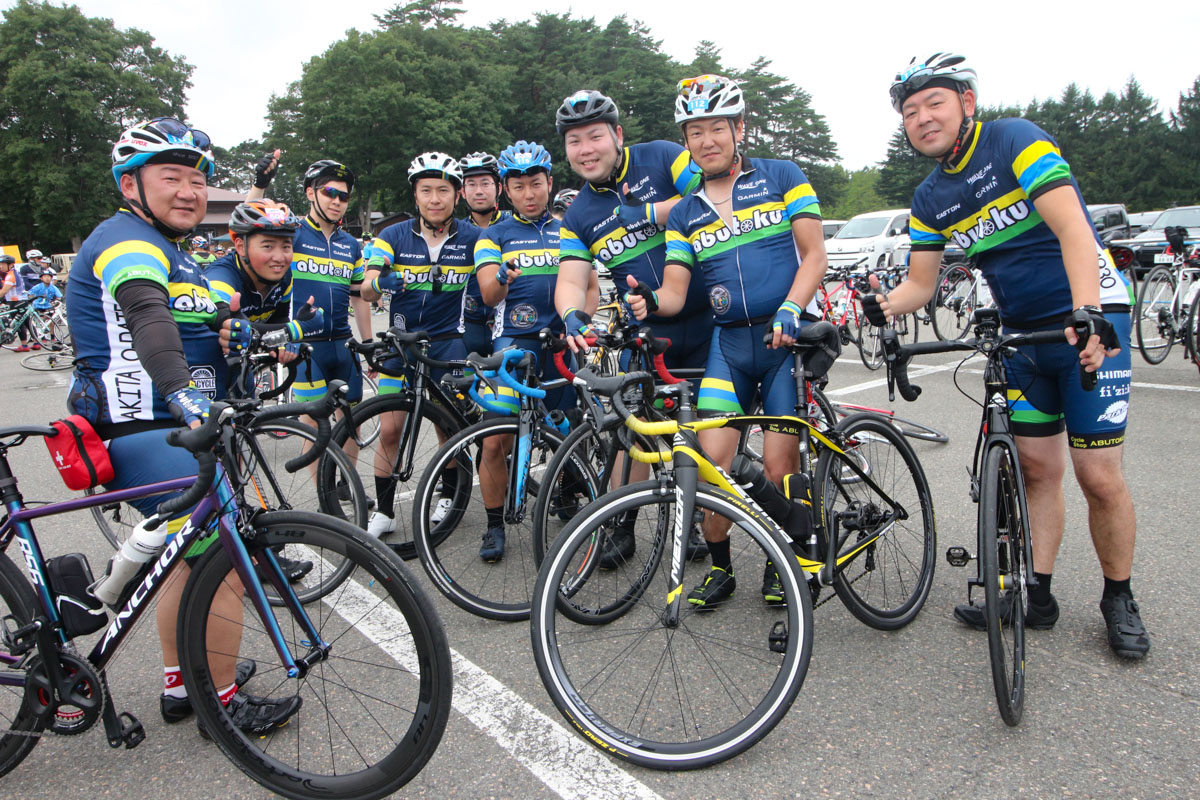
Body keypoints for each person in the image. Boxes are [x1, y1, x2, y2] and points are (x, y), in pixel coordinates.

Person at [869, 53, 1146, 658]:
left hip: (1090, 313)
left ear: (967, 102)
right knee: (1039, 470)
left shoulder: (1014, 141)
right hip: (1020, 333)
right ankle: (1037, 594)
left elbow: (1074, 230)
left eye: (934, 103)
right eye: (910, 112)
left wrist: (1087, 314)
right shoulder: (929, 195)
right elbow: (921, 283)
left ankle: (1118, 598)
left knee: (1098, 476)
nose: (923, 118)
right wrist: (883, 307)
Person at [66, 118, 300, 734]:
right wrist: (177, 388)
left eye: (197, 179)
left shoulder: (177, 253)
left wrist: (227, 338)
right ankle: (218, 703)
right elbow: (145, 313)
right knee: (223, 558)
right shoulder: (127, 243)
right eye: (171, 177)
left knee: (182, 563)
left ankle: (183, 685)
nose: (190, 191)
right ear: (129, 184)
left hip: (170, 424)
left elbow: (194, 325)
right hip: (143, 426)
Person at [627, 74, 828, 609]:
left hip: (785, 339)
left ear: (740, 129)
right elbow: (674, 292)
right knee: (712, 466)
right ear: (687, 141)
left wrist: (791, 306)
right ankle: (722, 569)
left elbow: (814, 254)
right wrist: (649, 301)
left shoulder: (782, 175)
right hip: (730, 345)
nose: (707, 140)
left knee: (782, 469)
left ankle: (779, 558)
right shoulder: (687, 211)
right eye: (696, 131)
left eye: (718, 127)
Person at [552, 88, 713, 567]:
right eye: (575, 141)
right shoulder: (579, 213)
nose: (586, 149)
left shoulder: (663, 157)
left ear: (617, 136)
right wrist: (571, 314)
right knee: (632, 433)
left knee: (704, 430)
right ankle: (620, 526)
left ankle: (703, 518)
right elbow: (569, 280)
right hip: (645, 329)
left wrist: (646, 212)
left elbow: (713, 195)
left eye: (595, 136)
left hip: (709, 318)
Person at [472, 140, 597, 561]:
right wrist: (503, 277)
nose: (529, 194)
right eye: (520, 186)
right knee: (494, 444)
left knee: (571, 434)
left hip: (561, 347)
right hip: (514, 347)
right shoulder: (494, 235)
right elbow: (488, 295)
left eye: (537, 184)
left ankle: (565, 494)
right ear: (507, 190)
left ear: (549, 183)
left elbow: (591, 289)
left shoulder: (570, 230)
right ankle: (493, 525)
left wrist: (578, 319)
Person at [358, 152, 481, 538]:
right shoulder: (392, 236)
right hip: (400, 345)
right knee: (391, 430)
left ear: (456, 195)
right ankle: (384, 510)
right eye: (426, 190)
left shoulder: (474, 237)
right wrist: (381, 283)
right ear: (415, 196)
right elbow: (365, 286)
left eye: (443, 190)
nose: (434, 198)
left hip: (448, 345)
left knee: (449, 427)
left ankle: (447, 494)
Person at [250, 158, 370, 405]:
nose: (336, 201)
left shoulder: (350, 244)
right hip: (306, 347)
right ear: (310, 193)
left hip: (343, 344)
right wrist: (260, 184)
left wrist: (368, 343)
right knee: (314, 427)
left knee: (352, 425)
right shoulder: (292, 233)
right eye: (329, 193)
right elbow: (249, 226)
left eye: (343, 197)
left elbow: (358, 297)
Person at [458, 151, 508, 356]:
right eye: (471, 184)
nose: (479, 191)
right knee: (463, 387)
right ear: (462, 191)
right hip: (468, 327)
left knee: (506, 387)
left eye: (485, 183)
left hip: (508, 326)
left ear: (498, 188)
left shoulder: (514, 226)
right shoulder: (456, 232)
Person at [1, 253, 35, 351]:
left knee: (18, 324)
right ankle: (36, 343)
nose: (1, 266)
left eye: (3, 264)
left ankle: (24, 345)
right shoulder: (15, 273)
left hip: (15, 301)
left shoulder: (11, 275)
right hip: (22, 300)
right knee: (27, 322)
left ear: (10, 264)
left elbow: (3, 291)